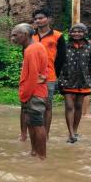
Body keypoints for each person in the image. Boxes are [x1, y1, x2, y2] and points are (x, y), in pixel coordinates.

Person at [11, 24, 48, 160]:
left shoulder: (31, 50)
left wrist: (24, 95)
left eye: (15, 35)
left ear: (25, 34)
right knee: (31, 123)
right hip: (34, 91)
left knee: (37, 125)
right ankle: (34, 152)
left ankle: (42, 157)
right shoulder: (35, 47)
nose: (13, 38)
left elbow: (33, 76)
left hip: (34, 93)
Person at [30, 8, 66, 141]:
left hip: (49, 77)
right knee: (31, 106)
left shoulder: (58, 36)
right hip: (32, 76)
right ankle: (34, 134)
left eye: (41, 18)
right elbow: (25, 54)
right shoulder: (31, 36)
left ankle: (45, 134)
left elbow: (62, 58)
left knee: (47, 105)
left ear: (49, 19)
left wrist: (53, 72)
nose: (38, 21)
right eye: (36, 19)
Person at [59, 23, 91, 143]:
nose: (77, 33)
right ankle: (71, 134)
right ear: (70, 33)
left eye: (80, 31)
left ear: (85, 33)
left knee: (79, 106)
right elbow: (58, 62)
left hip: (83, 80)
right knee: (69, 106)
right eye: (74, 31)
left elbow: (90, 64)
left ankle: (74, 131)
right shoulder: (64, 45)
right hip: (66, 79)